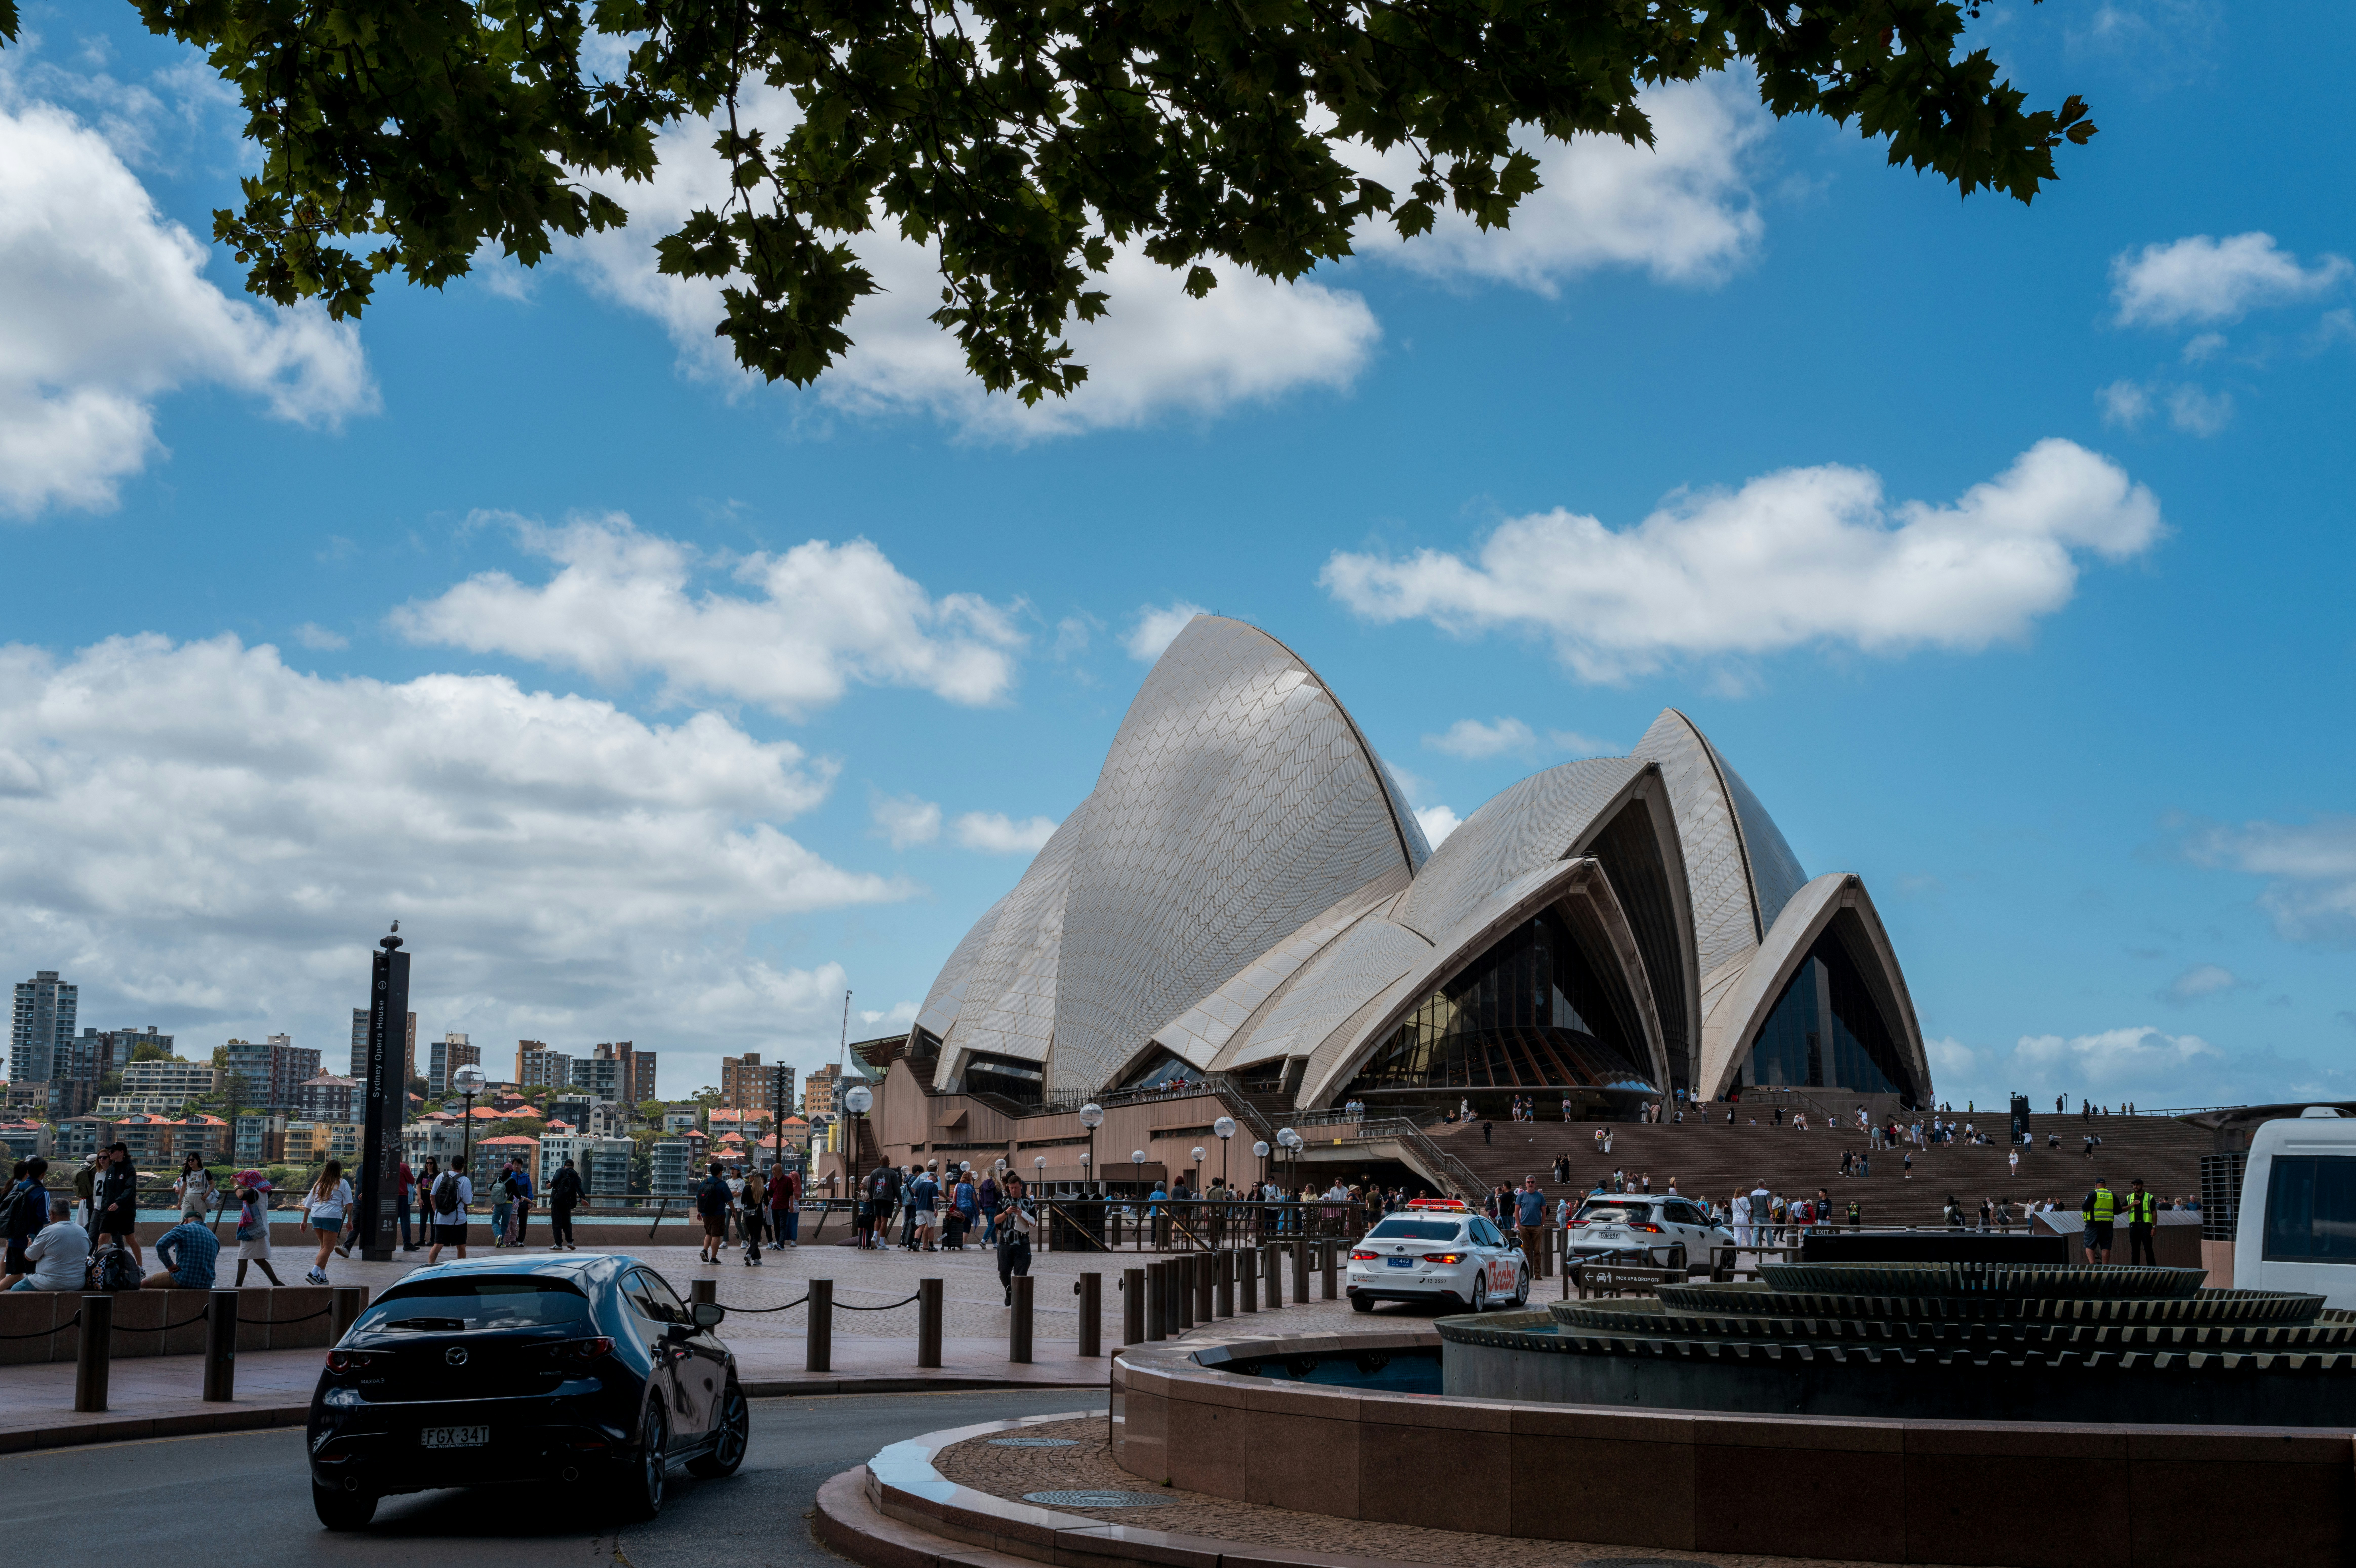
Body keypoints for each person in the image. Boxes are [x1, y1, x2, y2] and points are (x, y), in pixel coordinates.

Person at [14, 1201, 88, 1291]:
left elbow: (30, 1257)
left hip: (51, 1282)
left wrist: (30, 1246)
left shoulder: (49, 1231)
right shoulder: (82, 1231)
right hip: (78, 1282)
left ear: (52, 1214)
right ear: (70, 1214)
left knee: (16, 1289)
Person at [1, 1158, 50, 1289]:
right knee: (35, 1272)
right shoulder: (42, 1192)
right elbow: (44, 1218)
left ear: (27, 1172)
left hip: (15, 1237)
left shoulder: (17, 1187)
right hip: (32, 1239)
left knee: (16, 1273)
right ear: (43, 1174)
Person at [301, 1160, 352, 1284]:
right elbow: (349, 1204)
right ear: (339, 1170)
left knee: (324, 1248)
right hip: (332, 1217)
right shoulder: (343, 1183)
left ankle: (322, 1277)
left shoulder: (319, 1184)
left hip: (316, 1216)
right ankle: (313, 1274)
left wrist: (304, 1222)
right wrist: (350, 1221)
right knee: (328, 1248)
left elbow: (308, 1205)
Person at [143, 1212, 221, 1291]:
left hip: (184, 1279)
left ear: (186, 1220)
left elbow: (161, 1245)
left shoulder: (183, 1229)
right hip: (207, 1284)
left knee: (143, 1284)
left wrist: (170, 1265)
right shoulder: (214, 1237)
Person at [94, 1142, 141, 1265]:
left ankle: (140, 1268)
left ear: (122, 1152)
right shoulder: (111, 1169)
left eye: (113, 1152)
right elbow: (106, 1191)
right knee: (103, 1239)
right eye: (110, 1152)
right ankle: (100, 1267)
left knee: (131, 1240)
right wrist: (104, 1208)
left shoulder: (129, 1169)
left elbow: (130, 1189)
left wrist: (119, 1203)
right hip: (109, 1211)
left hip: (125, 1211)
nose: (110, 1154)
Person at [996, 1175, 1035, 1305]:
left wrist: (1022, 1213)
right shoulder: (1002, 1202)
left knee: (1021, 1275)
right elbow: (996, 1221)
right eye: (1012, 1188)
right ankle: (1010, 1291)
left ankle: (1018, 1301)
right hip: (1005, 1244)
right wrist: (1007, 1212)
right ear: (1008, 1187)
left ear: (1021, 1187)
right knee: (1003, 1272)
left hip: (1022, 1244)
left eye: (1016, 1188)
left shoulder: (1028, 1202)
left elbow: (1034, 1222)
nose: (1014, 1190)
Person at [233, 1184, 283, 1286]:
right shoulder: (265, 1193)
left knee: (243, 1258)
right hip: (262, 1228)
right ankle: (277, 1283)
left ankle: (238, 1286)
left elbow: (241, 1196)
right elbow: (270, 1190)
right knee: (259, 1259)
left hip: (252, 1230)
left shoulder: (253, 1192)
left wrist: (236, 1185)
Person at [425, 1159, 473, 1264]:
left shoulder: (441, 1176)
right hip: (458, 1220)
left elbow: (432, 1196)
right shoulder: (465, 1180)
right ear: (463, 1166)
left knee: (437, 1245)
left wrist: (437, 1212)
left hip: (441, 1219)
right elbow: (468, 1201)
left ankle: (430, 1267)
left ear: (451, 1165)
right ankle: (460, 1269)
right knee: (461, 1246)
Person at [696, 1162, 733, 1264]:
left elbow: (698, 1198)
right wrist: (734, 1212)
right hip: (719, 1213)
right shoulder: (722, 1184)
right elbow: (730, 1200)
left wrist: (699, 1211)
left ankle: (705, 1250)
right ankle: (713, 1258)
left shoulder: (704, 1183)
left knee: (709, 1233)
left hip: (705, 1213)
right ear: (721, 1173)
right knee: (716, 1235)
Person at [548, 1155, 583, 1250]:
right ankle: (570, 1242)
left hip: (557, 1201)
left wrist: (551, 1185)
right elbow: (579, 1187)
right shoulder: (575, 1175)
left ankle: (558, 1244)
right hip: (568, 1202)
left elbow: (555, 1180)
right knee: (567, 1223)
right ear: (573, 1166)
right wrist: (583, 1199)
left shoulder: (561, 1171)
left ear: (565, 1166)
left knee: (557, 1223)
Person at [2082, 1177, 2119, 1264]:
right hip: (2108, 1225)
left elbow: (2085, 1208)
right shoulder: (2112, 1195)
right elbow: (2118, 1211)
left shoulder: (2093, 1194)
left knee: (2090, 1245)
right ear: (2105, 1186)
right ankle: (2105, 1266)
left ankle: (2092, 1265)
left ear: (2096, 1186)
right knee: (2106, 1246)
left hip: (2093, 1224)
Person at [2124, 1177, 2159, 1266]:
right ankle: (2135, 1268)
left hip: (2146, 1226)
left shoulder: (2150, 1197)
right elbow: (2122, 1209)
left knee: (2148, 1249)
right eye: (2134, 1185)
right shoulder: (2130, 1198)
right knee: (2135, 1249)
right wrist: (2131, 1205)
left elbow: (2154, 1213)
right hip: (2134, 1226)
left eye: (2138, 1185)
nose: (2136, 1187)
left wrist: (2154, 1227)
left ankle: (2152, 1269)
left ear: (2142, 1186)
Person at [174, 1153, 214, 1225]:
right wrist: (180, 1202)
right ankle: (184, 1235)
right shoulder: (187, 1173)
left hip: (200, 1198)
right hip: (188, 1197)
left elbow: (212, 1184)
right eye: (189, 1161)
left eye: (193, 1160)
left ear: (198, 1161)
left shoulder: (205, 1172)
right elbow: (183, 1187)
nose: (191, 1162)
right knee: (183, 1221)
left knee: (199, 1221)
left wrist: (207, 1194)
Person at [503, 1156, 534, 1246]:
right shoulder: (510, 1177)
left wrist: (529, 1203)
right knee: (512, 1224)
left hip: (524, 1205)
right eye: (515, 1165)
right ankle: (511, 1241)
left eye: (519, 1165)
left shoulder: (526, 1177)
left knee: (523, 1223)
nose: (517, 1167)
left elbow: (530, 1191)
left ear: (521, 1166)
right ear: (513, 1166)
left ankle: (520, 1241)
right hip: (512, 1206)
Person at [740, 1167, 768, 1264]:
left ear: (752, 1178)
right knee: (756, 1238)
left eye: (750, 1177)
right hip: (758, 1215)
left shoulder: (747, 1188)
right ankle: (749, 1255)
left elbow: (742, 1201)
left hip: (748, 1215)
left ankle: (757, 1260)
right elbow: (767, 1203)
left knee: (753, 1237)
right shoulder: (763, 1190)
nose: (749, 1178)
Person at [1514, 1177, 1545, 1265]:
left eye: (1532, 1182)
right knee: (1526, 1252)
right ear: (1526, 1184)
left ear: (1535, 1184)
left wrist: (1542, 1225)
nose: (1531, 1184)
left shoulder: (1540, 1196)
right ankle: (1528, 1273)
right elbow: (1516, 1211)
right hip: (1524, 1226)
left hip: (1537, 1227)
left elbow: (1544, 1211)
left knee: (1537, 1251)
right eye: (1529, 1182)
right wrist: (1519, 1225)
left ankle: (1538, 1273)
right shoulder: (1521, 1196)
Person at [772, 1163, 798, 1247]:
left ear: (780, 1170)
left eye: (774, 1170)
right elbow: (770, 1194)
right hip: (775, 1206)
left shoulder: (788, 1180)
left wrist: (792, 1206)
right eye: (772, 1170)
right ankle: (779, 1241)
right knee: (776, 1226)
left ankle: (781, 1244)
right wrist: (766, 1205)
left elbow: (791, 1194)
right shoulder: (773, 1181)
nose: (773, 1172)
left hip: (784, 1206)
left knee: (783, 1225)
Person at [395, 1157, 418, 1251]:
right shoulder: (404, 1167)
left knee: (390, 1221)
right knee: (405, 1221)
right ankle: (407, 1243)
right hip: (403, 1197)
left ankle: (387, 1242)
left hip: (389, 1197)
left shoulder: (385, 1166)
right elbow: (412, 1181)